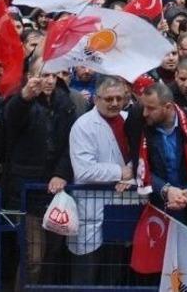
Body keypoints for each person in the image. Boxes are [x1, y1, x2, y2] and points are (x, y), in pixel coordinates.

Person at [4, 62, 76, 286]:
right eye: (44, 75)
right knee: (33, 258)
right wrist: (25, 97)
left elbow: (70, 144)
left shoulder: (66, 103)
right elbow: (9, 120)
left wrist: (61, 172)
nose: (50, 80)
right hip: (27, 192)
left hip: (54, 192)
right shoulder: (20, 100)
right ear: (31, 76)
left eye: (54, 75)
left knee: (50, 257)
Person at [67, 75, 136, 284]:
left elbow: (140, 155)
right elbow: (84, 171)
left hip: (120, 206)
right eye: (108, 99)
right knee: (87, 272)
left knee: (114, 271)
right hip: (91, 206)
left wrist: (131, 171)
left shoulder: (129, 119)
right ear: (96, 99)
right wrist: (120, 172)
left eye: (118, 98)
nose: (114, 103)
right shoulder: (83, 125)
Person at [136, 83, 187, 214]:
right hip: (157, 205)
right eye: (144, 107)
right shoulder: (141, 124)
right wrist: (166, 190)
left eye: (151, 108)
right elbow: (140, 166)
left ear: (167, 107)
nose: (145, 113)